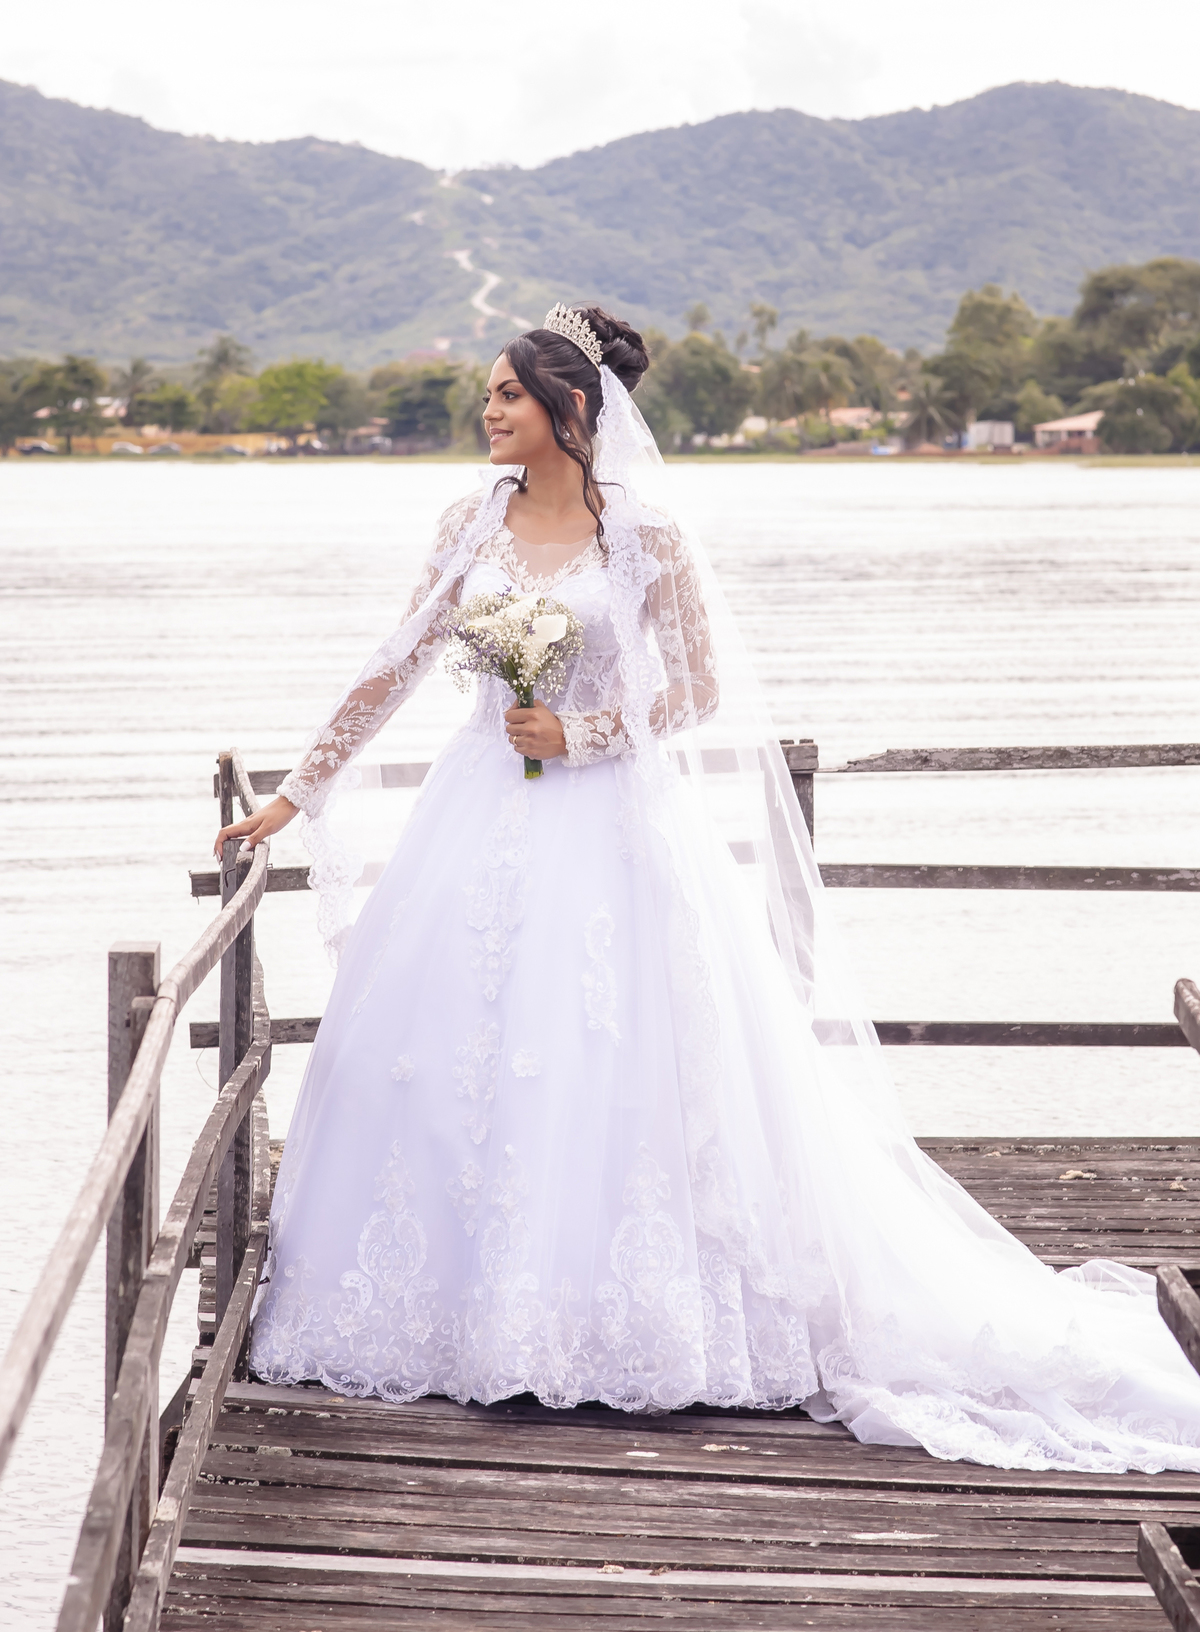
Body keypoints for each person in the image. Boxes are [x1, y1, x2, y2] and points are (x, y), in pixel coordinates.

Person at [220, 304, 1200, 1473]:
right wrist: (296, 795)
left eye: (507, 396)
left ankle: (630, 1323)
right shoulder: (463, 524)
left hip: (609, 824)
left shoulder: (646, 539)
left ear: (572, 412)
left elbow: (696, 692)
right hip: (477, 812)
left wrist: (583, 729)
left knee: (614, 1055)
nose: (486, 411)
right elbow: (391, 666)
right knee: (447, 1052)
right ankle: (462, 1318)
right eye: (486, 394)